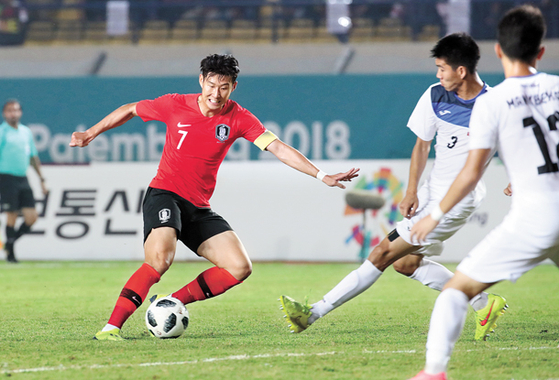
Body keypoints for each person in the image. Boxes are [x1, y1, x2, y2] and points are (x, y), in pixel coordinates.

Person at [69, 54, 359, 341]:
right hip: (165, 194)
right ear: (201, 81)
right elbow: (131, 109)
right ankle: (110, 329)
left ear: (234, 87)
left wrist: (322, 176)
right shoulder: (175, 104)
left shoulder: (239, 117)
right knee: (160, 260)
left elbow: (278, 148)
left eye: (224, 87)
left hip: (198, 206)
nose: (216, 93)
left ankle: (171, 301)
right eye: (211, 84)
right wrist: (91, 133)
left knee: (239, 267)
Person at [280, 33, 508, 342]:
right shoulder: (435, 95)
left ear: (462, 71)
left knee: (382, 253)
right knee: (405, 262)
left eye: (442, 68)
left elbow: (517, 142)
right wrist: (412, 190)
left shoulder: (494, 105)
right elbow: (421, 146)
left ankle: (312, 313)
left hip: (458, 198)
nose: (438, 74)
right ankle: (483, 302)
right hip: (432, 191)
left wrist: (516, 178)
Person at [408, 5, 559, 379]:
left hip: (534, 219)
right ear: (540, 51)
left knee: (456, 293)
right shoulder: (557, 87)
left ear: (497, 51)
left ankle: (433, 372)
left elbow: (471, 172)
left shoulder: (491, 102)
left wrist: (435, 214)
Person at [0, 99, 48, 263]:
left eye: (15, 110)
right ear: (4, 113)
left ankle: (9, 243)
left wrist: (41, 179)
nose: (13, 113)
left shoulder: (25, 132)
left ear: (20, 112)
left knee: (31, 217)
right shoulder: (2, 132)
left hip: (23, 177)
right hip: (6, 177)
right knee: (11, 215)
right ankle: (11, 254)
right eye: (9, 110)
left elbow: (33, 157)